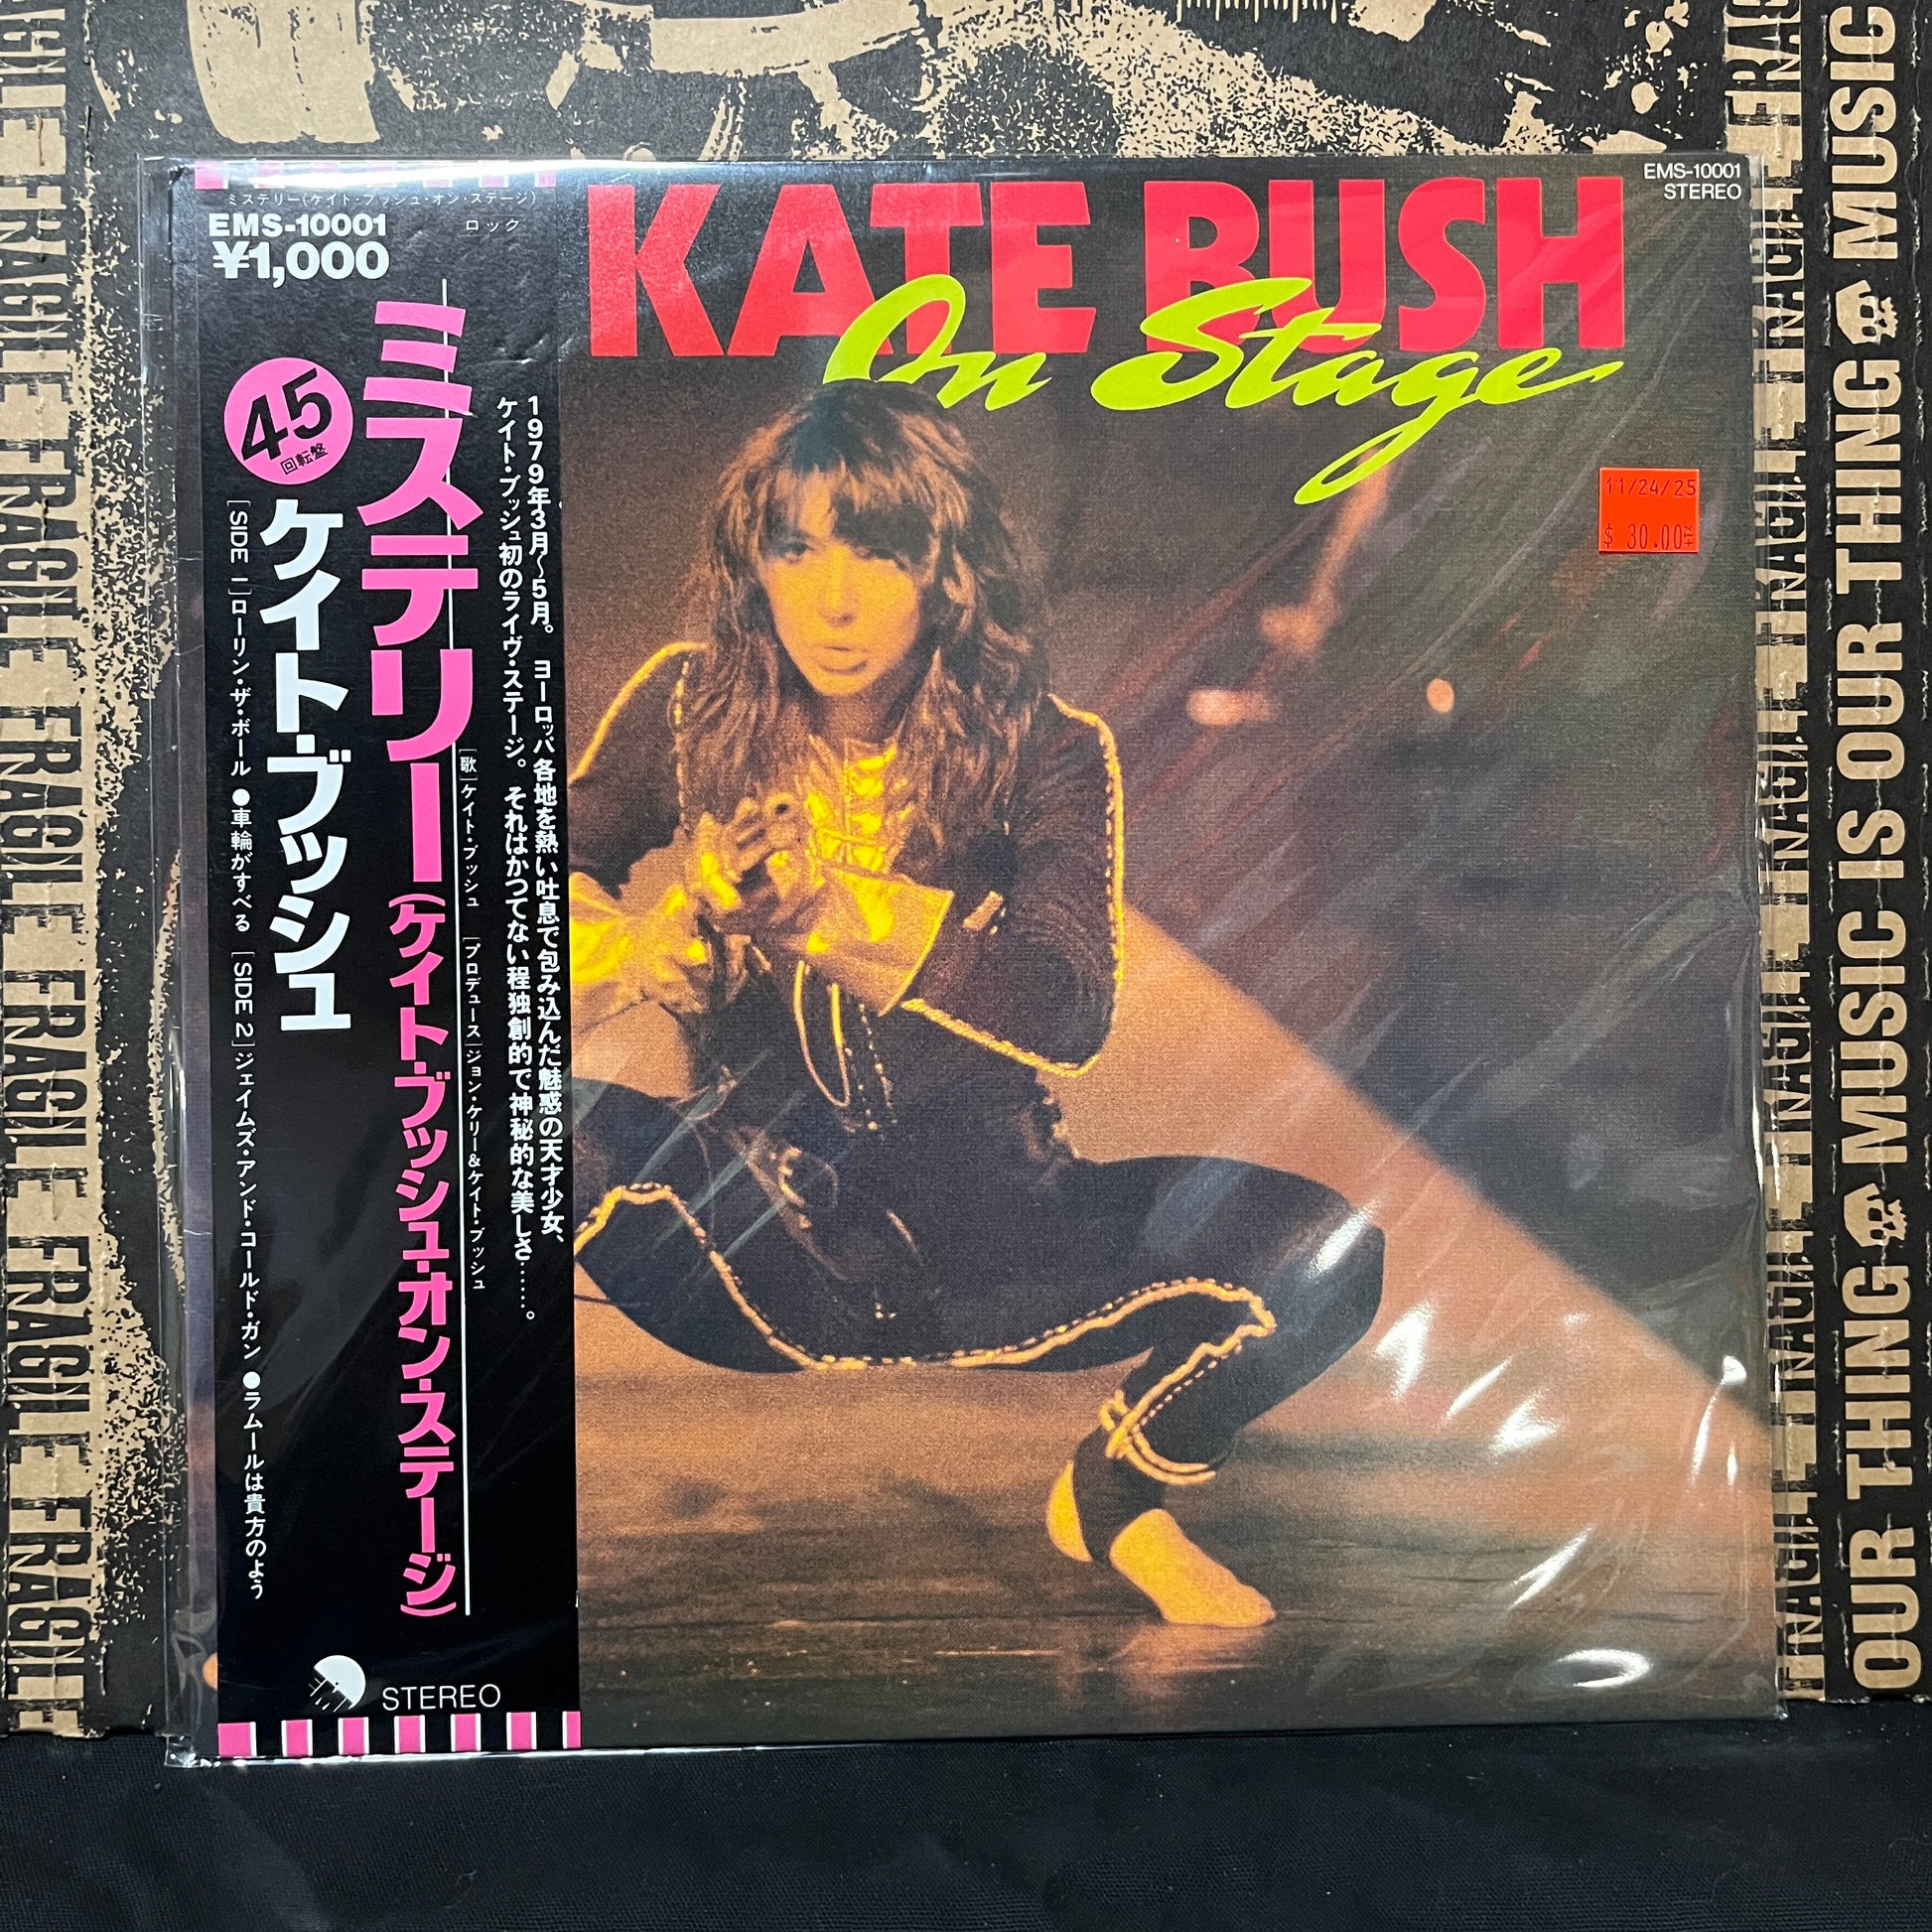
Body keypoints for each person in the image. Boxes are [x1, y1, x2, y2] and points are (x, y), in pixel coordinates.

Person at [568, 380, 1383, 1627]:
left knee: (1325, 1252)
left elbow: (1067, 1004)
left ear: (944, 570)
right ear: (753, 564)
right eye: (796, 549)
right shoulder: (689, 704)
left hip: (1001, 1238)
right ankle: (437, 1537)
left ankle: (1115, 1493)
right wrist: (639, 947)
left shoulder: (1043, 747)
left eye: (878, 551)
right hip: (758, 1236)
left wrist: (831, 911)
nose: (833, 600)